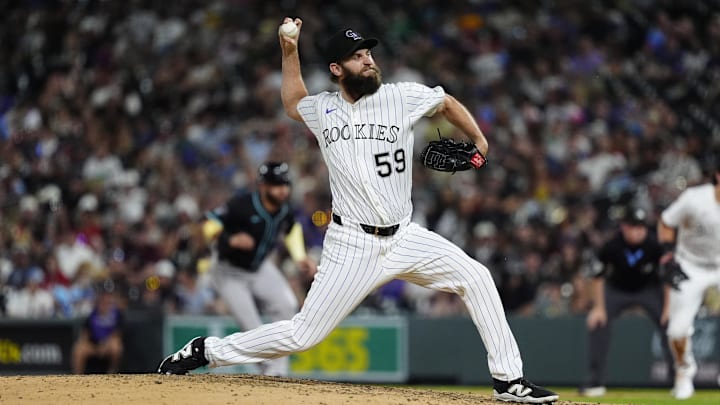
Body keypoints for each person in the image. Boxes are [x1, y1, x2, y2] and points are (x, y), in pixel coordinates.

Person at [159, 18, 558, 404]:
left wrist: (479, 142)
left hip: (404, 235)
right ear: (337, 69)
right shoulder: (323, 109)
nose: (368, 60)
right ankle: (206, 351)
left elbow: (446, 101)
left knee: (476, 276)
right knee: (303, 335)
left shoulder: (400, 96)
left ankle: (509, 380)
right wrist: (289, 49)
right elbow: (293, 101)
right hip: (351, 244)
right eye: (357, 55)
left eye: (368, 52)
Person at [201, 161, 317, 376]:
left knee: (287, 305)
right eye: (276, 185)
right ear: (263, 186)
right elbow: (209, 225)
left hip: (260, 267)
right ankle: (267, 373)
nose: (283, 190)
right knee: (252, 327)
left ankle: (278, 373)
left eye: (285, 185)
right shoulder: (241, 205)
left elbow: (292, 229)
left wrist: (300, 256)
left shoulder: (284, 210)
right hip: (229, 271)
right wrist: (231, 238)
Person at [579, 206, 673, 397]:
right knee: (598, 323)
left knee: (670, 325)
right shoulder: (612, 245)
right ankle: (595, 381)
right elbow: (598, 275)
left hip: (648, 289)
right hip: (617, 289)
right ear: (624, 227)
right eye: (633, 226)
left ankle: (677, 378)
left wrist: (667, 308)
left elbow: (667, 277)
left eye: (641, 227)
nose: (638, 231)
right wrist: (598, 307)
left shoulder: (654, 245)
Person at [657, 164, 720, 400]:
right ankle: (683, 372)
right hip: (690, 265)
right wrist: (667, 254)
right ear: (718, 176)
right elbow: (665, 222)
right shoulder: (694, 199)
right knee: (677, 330)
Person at [71, 288, 124, 374]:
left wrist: (105, 345)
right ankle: (77, 377)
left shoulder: (116, 314)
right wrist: (86, 343)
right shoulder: (93, 314)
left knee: (116, 347)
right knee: (79, 349)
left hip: (108, 345)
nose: (105, 303)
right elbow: (86, 333)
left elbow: (117, 334)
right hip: (94, 346)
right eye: (103, 301)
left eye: (108, 301)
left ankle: (113, 373)